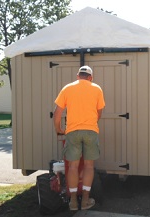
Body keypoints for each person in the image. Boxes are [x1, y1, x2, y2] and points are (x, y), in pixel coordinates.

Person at [53, 65, 105, 210]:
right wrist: (91, 124)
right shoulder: (97, 89)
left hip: (72, 132)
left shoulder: (67, 88)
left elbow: (57, 114)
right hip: (91, 131)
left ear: (77, 76)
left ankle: (73, 201)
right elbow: (99, 112)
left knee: (73, 167)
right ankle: (85, 201)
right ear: (90, 77)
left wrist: (59, 129)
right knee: (89, 166)